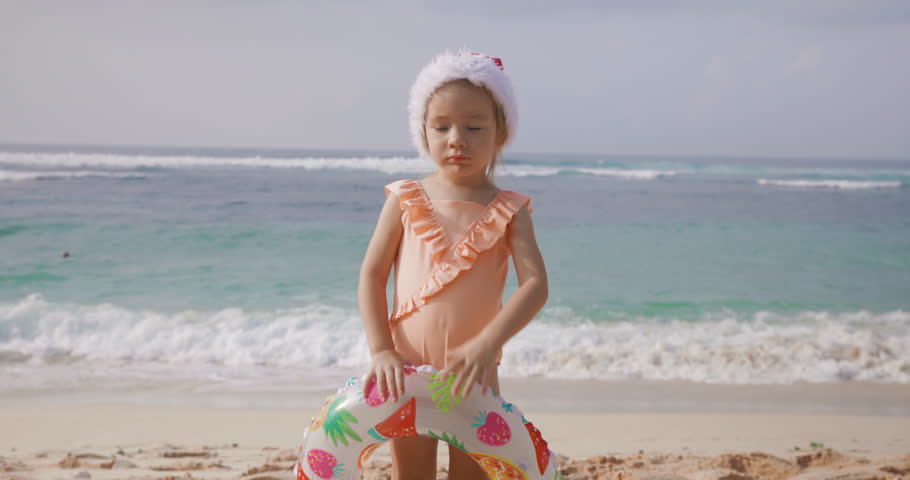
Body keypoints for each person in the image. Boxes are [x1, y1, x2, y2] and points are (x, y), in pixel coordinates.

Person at [357, 49, 549, 480]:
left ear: (501, 133)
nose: (456, 138)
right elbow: (372, 275)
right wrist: (381, 349)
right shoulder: (405, 199)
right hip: (404, 371)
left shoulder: (510, 210)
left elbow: (535, 285)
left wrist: (487, 345)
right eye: (441, 127)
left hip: (474, 375)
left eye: (474, 126)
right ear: (423, 132)